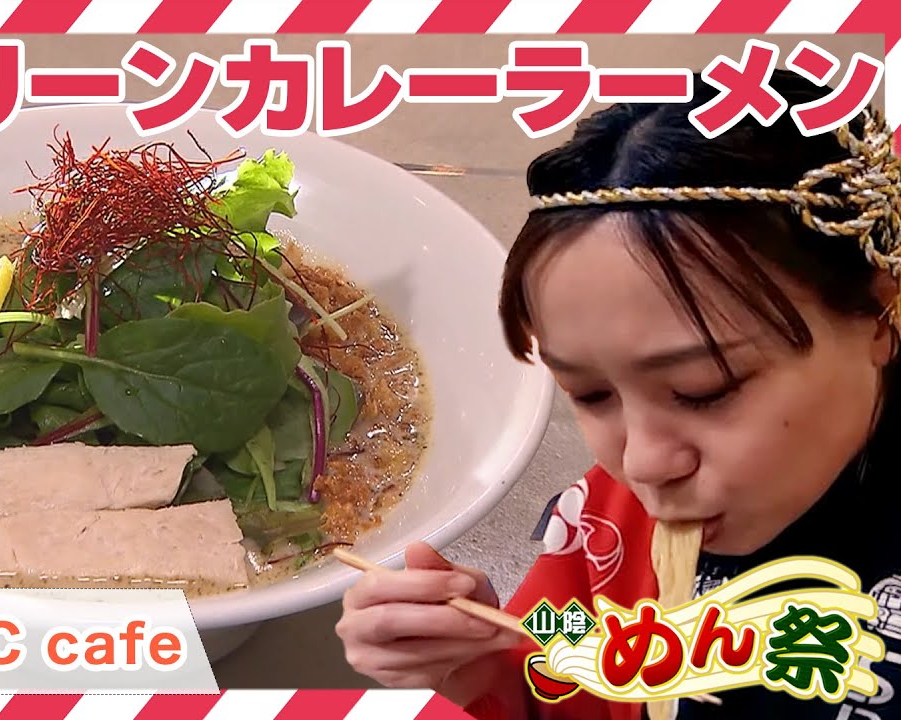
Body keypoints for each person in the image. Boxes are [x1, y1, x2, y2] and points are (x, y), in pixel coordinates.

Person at [335, 70, 901, 719]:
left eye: (704, 390)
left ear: (877, 313)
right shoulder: (608, 525)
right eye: (591, 393)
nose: (642, 462)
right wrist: (477, 664)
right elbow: (569, 657)